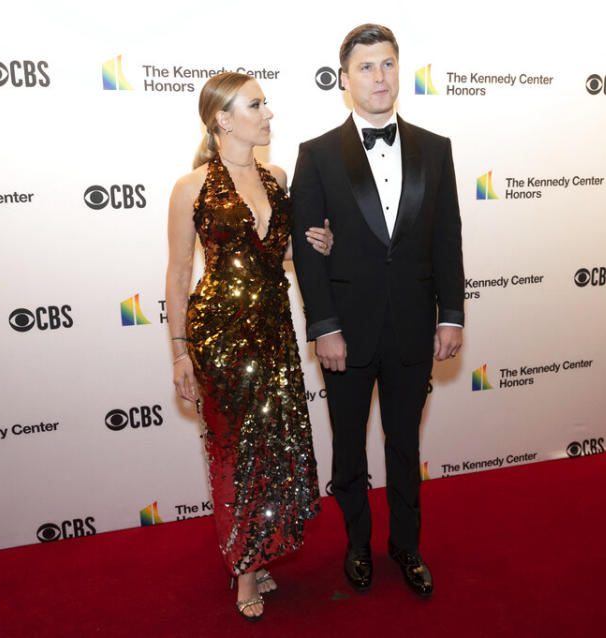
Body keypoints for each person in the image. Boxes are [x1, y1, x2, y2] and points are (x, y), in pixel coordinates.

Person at [290, 24, 465, 599]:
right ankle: (358, 545)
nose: (379, 76)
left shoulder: (435, 148)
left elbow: (447, 239)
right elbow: (310, 254)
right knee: (346, 448)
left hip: (415, 328)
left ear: (400, 70)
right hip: (347, 332)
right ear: (344, 80)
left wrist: (452, 314)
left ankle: (406, 546)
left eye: (387, 64)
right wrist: (325, 327)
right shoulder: (315, 155)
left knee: (405, 446)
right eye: (366, 67)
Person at [164, 72, 332, 622]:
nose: (268, 114)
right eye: (256, 105)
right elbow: (179, 273)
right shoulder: (190, 188)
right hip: (220, 339)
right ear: (223, 118)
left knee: (270, 453)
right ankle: (243, 569)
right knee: (233, 455)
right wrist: (180, 352)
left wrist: (315, 245)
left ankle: (258, 552)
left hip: (275, 335)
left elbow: (275, 257)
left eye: (265, 104)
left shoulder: (276, 177)